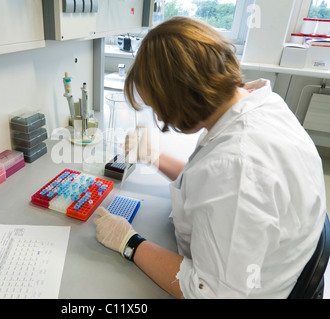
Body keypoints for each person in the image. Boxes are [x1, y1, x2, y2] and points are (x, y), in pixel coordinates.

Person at [93, 16, 327, 299]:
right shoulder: (259, 104)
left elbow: (208, 293)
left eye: (159, 107)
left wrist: (129, 242)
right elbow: (209, 180)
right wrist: (154, 156)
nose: (161, 118)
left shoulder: (238, 165)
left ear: (179, 97)